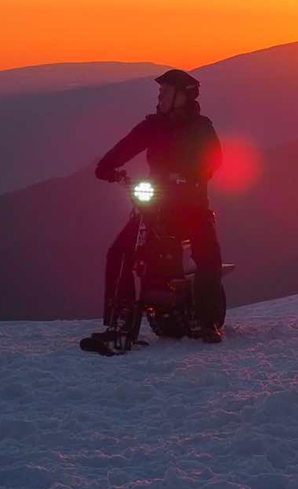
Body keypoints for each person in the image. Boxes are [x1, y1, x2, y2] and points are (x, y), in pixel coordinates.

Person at [94, 69, 227, 343]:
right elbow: (126, 146)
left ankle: (208, 321)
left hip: (191, 204)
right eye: (160, 92)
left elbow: (215, 160)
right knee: (119, 252)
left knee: (208, 255)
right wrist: (107, 166)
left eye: (165, 92)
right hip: (156, 204)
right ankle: (119, 318)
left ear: (183, 97)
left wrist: (194, 173)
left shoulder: (201, 128)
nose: (160, 96)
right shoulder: (152, 126)